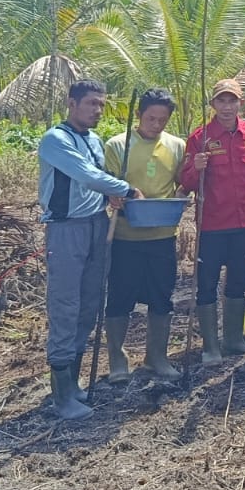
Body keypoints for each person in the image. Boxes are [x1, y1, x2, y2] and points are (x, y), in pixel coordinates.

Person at [38, 79, 141, 419]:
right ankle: (61, 394)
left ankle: (72, 382)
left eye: (101, 104)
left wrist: (110, 195)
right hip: (67, 230)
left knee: (89, 304)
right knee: (66, 305)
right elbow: (86, 175)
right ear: (72, 103)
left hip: (97, 225)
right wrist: (126, 189)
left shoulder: (94, 140)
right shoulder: (56, 139)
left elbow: (99, 179)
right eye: (91, 103)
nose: (98, 110)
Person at [179, 79, 245, 364]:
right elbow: (186, 183)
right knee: (207, 284)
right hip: (212, 225)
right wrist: (196, 168)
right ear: (213, 104)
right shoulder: (200, 138)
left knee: (239, 282)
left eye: (232, 101)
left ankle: (233, 339)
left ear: (241, 103)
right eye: (221, 101)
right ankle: (210, 346)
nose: (227, 107)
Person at [100, 88, 186, 383]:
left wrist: (183, 193)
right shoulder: (117, 145)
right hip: (126, 235)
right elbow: (107, 183)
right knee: (120, 297)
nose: (156, 124)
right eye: (151, 118)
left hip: (163, 234)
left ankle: (157, 356)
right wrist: (115, 196)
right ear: (138, 115)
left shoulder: (176, 146)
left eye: (162, 120)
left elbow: (182, 182)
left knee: (162, 296)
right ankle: (117, 358)